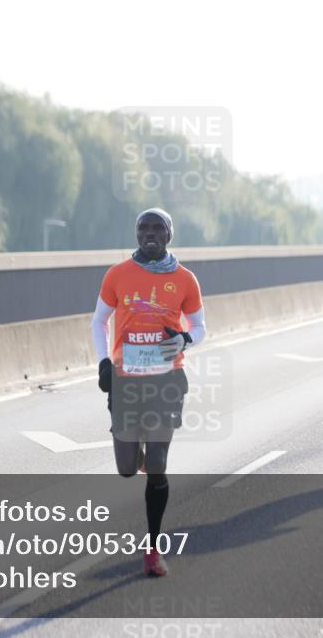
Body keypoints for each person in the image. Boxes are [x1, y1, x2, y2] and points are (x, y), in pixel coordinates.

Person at [91, 208, 206, 577]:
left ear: (169, 234)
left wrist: (185, 339)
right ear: (136, 234)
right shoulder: (117, 274)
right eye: (144, 228)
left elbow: (200, 327)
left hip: (166, 380)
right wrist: (104, 362)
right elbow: (99, 321)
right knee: (127, 469)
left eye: (158, 228)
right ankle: (138, 452)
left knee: (157, 466)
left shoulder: (185, 279)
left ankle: (153, 549)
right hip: (126, 379)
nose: (150, 234)